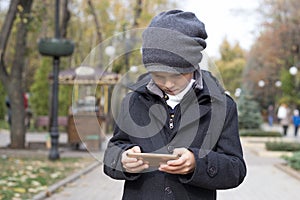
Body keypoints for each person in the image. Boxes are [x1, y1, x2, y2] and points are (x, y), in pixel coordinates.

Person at [103, 10, 246, 200]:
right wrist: (122, 160)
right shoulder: (133, 102)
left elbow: (236, 169)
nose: (168, 84)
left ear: (193, 65)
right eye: (159, 76)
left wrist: (197, 163)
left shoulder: (221, 106)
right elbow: (113, 151)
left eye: (177, 76)